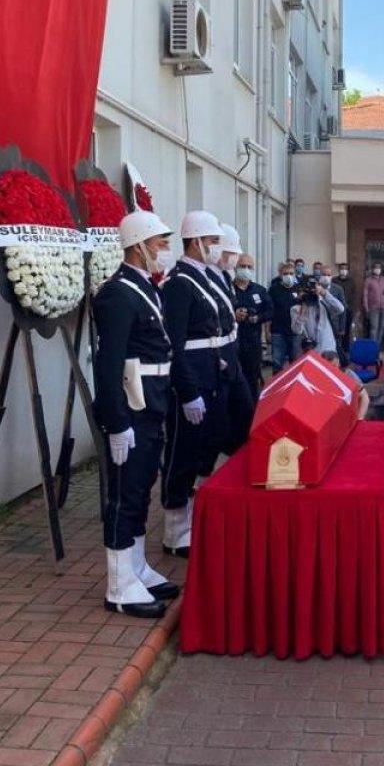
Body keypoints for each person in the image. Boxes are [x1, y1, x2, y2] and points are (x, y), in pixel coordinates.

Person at [92, 211, 179, 618]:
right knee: (124, 493)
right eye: (160, 244)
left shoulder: (145, 288)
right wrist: (117, 421)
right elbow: (108, 365)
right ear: (139, 245)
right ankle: (119, 583)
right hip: (132, 407)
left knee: (141, 487)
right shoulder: (117, 294)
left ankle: (137, 566)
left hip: (153, 401)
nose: (164, 251)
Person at [159, 210, 233, 558]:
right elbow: (174, 343)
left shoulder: (203, 277)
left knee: (204, 447)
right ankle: (175, 528)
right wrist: (187, 390)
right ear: (197, 242)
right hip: (192, 376)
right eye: (213, 242)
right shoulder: (179, 283)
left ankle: (192, 519)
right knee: (182, 451)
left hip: (211, 373)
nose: (217, 249)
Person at [208, 224, 255, 458]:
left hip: (230, 354)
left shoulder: (224, 278)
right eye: (233, 253)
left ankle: (234, 455)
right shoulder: (205, 278)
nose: (236, 260)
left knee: (245, 410)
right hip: (216, 357)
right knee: (219, 421)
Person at [232, 252, 272, 400]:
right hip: (233, 342)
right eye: (243, 266)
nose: (246, 269)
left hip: (253, 341)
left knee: (252, 378)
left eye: (249, 266)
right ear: (236, 267)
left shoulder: (259, 290)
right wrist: (234, 315)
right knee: (234, 378)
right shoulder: (228, 289)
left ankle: (252, 410)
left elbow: (270, 311)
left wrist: (257, 318)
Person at [291, 274, 345, 353]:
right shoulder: (295, 309)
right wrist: (303, 312)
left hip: (328, 348)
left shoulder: (323, 302)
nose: (311, 293)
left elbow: (340, 309)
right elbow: (297, 331)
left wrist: (324, 293)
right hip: (310, 349)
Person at [320, 350, 371, 418]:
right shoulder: (319, 377)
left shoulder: (348, 375)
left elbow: (365, 397)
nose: (333, 369)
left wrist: (360, 419)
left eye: (335, 366)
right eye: (329, 367)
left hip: (347, 413)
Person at [269, 262, 298, 373]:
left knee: (295, 363)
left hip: (295, 332)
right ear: (280, 274)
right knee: (277, 362)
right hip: (278, 331)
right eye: (286, 273)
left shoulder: (299, 289)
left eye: (291, 273)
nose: (289, 276)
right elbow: (269, 310)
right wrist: (267, 331)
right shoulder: (273, 290)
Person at [334, 260, 358, 356]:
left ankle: (345, 349)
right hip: (336, 310)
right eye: (341, 269)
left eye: (345, 269)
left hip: (348, 309)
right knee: (336, 329)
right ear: (339, 270)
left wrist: (352, 308)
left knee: (346, 330)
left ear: (347, 270)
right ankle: (336, 348)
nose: (343, 271)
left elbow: (353, 295)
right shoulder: (334, 281)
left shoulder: (351, 282)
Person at [363, 263, 384, 347]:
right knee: (374, 328)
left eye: (379, 268)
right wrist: (366, 308)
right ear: (373, 269)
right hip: (373, 308)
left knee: (381, 328)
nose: (377, 269)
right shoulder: (368, 280)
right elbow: (365, 295)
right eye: (376, 267)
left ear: (381, 269)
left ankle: (377, 346)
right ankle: (372, 346)